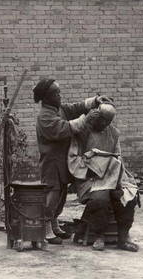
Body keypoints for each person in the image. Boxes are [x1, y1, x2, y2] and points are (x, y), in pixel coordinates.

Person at [34, 78, 103, 244]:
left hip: (62, 161)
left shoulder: (57, 109)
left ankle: (55, 225)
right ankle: (46, 229)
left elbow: (75, 108)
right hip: (51, 163)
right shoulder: (45, 116)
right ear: (46, 97)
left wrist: (94, 101)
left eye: (59, 92)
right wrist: (86, 119)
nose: (59, 95)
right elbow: (64, 129)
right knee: (52, 195)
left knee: (61, 195)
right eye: (55, 93)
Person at [67, 102, 140, 252]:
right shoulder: (82, 133)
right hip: (89, 178)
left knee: (126, 196)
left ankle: (123, 237)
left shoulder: (113, 133)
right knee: (100, 198)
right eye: (102, 120)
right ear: (95, 116)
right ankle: (99, 235)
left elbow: (118, 159)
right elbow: (73, 159)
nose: (104, 124)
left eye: (108, 122)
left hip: (111, 177)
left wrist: (119, 177)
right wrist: (92, 167)